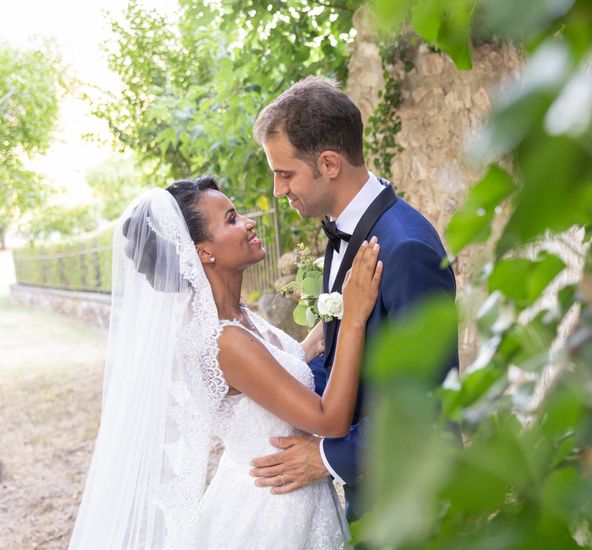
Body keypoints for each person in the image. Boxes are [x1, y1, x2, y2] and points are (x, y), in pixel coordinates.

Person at [68, 177, 382, 549]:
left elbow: (277, 369)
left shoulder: (233, 315)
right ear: (203, 253)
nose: (249, 223)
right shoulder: (224, 340)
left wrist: (336, 312)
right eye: (232, 220)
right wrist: (357, 318)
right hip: (272, 514)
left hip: (287, 498)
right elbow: (329, 419)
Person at [249, 75, 458, 519]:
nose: (277, 190)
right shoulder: (344, 232)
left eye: (285, 174)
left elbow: (429, 403)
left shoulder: (405, 249)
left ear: (328, 163)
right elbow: (339, 350)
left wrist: (325, 458)